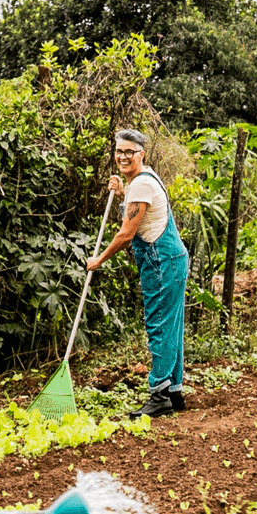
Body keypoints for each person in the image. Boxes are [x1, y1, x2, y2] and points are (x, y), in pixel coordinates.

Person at [85, 129, 188, 418]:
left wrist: (99, 260)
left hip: (161, 261)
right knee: (172, 326)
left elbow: (127, 234)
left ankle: (159, 395)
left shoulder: (141, 185)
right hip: (171, 258)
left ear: (141, 153)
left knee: (159, 325)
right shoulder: (144, 178)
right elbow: (139, 206)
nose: (123, 156)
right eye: (119, 151)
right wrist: (122, 192)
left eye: (129, 152)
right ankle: (174, 391)